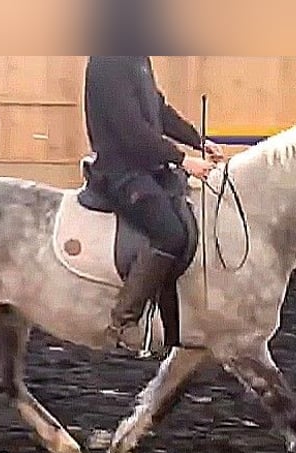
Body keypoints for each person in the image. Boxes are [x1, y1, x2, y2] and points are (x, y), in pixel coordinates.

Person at [83, 56, 225, 350]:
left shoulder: (137, 57)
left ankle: (174, 330)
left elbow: (158, 110)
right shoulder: (108, 61)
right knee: (170, 233)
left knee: (189, 220)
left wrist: (197, 140)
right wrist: (183, 160)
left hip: (147, 168)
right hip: (119, 170)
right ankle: (123, 321)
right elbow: (131, 129)